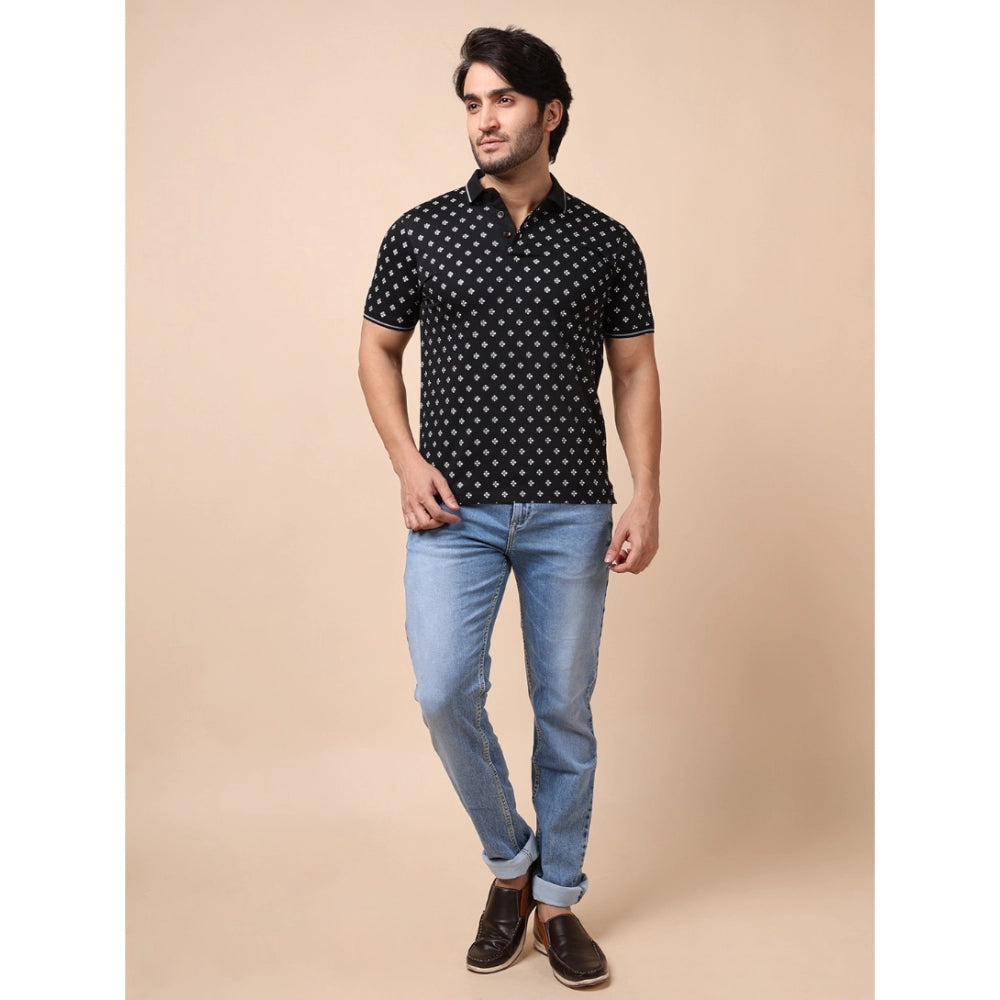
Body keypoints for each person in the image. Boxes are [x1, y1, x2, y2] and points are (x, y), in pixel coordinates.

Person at [358, 25, 660, 990]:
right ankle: (512, 863)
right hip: (454, 515)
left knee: (563, 707)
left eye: (504, 100)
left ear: (550, 112)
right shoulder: (420, 231)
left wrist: (647, 492)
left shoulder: (606, 242)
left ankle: (559, 901)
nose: (484, 120)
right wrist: (405, 461)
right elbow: (376, 349)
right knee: (444, 692)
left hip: (572, 512)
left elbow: (634, 372)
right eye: (472, 103)